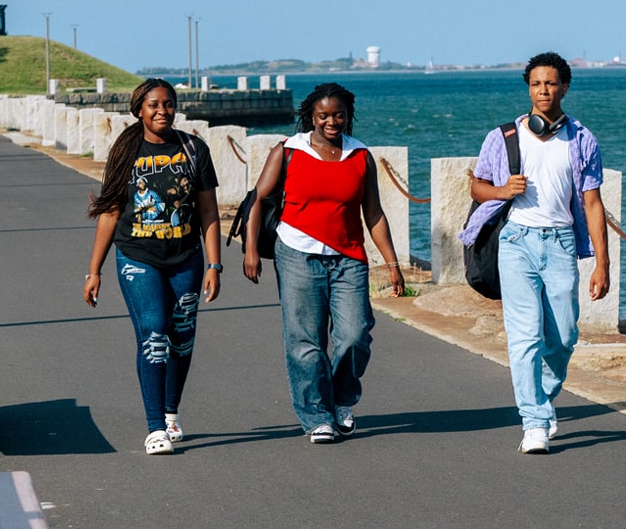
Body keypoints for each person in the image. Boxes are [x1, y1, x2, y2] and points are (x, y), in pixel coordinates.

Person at [460, 52, 610, 454]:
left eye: (551, 83)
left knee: (563, 336)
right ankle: (534, 422)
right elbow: (477, 188)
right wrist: (501, 191)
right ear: (528, 88)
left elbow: (593, 204)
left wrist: (602, 263)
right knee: (524, 338)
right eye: (536, 84)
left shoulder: (581, 139)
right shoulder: (504, 137)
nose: (543, 91)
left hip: (561, 243)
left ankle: (541, 399)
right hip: (516, 242)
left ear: (564, 87)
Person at [243, 83, 405, 444]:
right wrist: (250, 250)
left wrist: (392, 263)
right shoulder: (289, 150)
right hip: (297, 254)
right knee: (305, 341)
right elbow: (258, 198)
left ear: (347, 115)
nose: (331, 122)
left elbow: (374, 213)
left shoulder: (361, 156)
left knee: (355, 335)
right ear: (311, 117)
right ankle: (317, 415)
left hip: (349, 258)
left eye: (338, 115)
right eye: (323, 116)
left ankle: (342, 401)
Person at [82, 78, 223, 455]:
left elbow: (208, 211)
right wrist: (94, 270)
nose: (163, 111)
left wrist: (214, 264)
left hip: (187, 257)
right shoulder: (125, 152)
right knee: (155, 334)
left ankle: (171, 410)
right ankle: (154, 427)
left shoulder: (193, 149)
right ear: (139, 110)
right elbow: (111, 212)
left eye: (169, 104)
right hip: (137, 256)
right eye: (154, 105)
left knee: (182, 336)